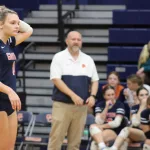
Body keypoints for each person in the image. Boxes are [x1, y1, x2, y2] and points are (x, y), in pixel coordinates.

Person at [48, 31, 99, 150]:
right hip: (62, 105)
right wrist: (73, 95)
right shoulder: (59, 57)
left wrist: (93, 96)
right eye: (73, 39)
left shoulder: (88, 59)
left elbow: (95, 80)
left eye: (79, 39)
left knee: (75, 143)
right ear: (67, 41)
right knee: (56, 139)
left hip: (81, 107)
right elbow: (56, 79)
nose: (76, 42)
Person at [0, 7, 33, 150]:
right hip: (2, 98)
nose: (17, 26)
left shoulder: (9, 43)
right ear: (1, 24)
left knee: (9, 148)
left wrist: (11, 16)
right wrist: (9, 91)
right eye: (12, 23)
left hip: (9, 101)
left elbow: (29, 30)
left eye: (17, 23)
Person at [90, 86, 126, 150]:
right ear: (104, 96)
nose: (111, 97)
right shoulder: (100, 105)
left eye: (112, 94)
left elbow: (116, 123)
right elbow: (99, 121)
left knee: (95, 141)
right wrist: (106, 108)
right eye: (108, 95)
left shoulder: (120, 105)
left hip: (115, 131)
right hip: (100, 130)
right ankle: (103, 147)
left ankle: (102, 146)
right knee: (93, 127)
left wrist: (101, 126)